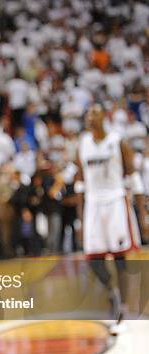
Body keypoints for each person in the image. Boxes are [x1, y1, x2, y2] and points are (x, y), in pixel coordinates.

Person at [76, 104, 147, 333]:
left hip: (116, 201)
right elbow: (79, 182)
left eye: (94, 113)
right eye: (88, 113)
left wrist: (143, 216)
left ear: (104, 117)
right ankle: (113, 293)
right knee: (93, 260)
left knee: (120, 259)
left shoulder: (118, 141)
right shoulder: (83, 144)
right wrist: (80, 219)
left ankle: (123, 309)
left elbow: (133, 177)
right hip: (93, 204)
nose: (89, 116)